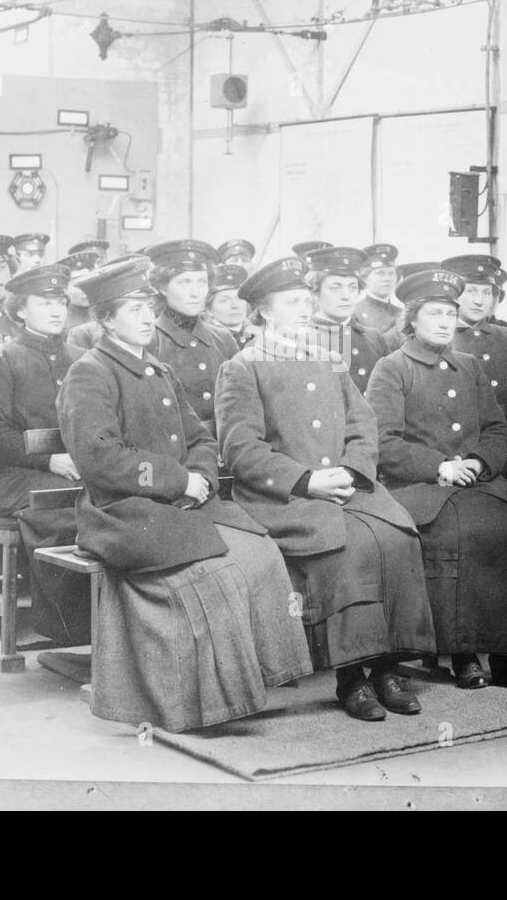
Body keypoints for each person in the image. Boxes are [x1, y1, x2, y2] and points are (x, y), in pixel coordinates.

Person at [58, 256, 312, 731]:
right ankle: (207, 703)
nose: (147, 318)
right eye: (134, 311)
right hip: (123, 511)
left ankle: (256, 682)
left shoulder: (155, 368)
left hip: (177, 503)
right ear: (106, 319)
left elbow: (199, 437)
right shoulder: (90, 373)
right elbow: (100, 459)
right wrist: (178, 482)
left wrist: (201, 480)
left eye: (148, 308)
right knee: (216, 575)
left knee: (261, 552)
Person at [216, 256, 436, 722]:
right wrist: (307, 480)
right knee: (348, 548)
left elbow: (363, 422)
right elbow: (241, 449)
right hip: (288, 495)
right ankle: (352, 677)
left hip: (345, 485)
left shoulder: (327, 355)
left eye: (304, 300)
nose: (302, 308)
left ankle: (387, 666)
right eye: (291, 301)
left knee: (397, 537)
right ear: (263, 311)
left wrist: (353, 470)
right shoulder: (243, 367)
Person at [366, 268, 507, 692]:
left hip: (477, 481)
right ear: (412, 319)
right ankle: (462, 652)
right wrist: (440, 467)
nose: (445, 322)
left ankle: (505, 653)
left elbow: (499, 429)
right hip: (421, 487)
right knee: (458, 536)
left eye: (449, 313)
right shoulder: (392, 369)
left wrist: (479, 463)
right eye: (434, 314)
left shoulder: (468, 366)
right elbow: (383, 442)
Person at [0, 263, 89, 643]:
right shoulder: (2, 358)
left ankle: (110, 622)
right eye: (45, 303)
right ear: (21, 310)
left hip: (78, 471)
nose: (58, 311)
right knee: (65, 515)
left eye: (61, 302)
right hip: (19, 478)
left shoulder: (80, 357)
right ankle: (68, 628)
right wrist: (47, 459)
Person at [143, 240, 239, 438]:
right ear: (162, 287)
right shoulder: (149, 341)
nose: (195, 293)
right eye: (184, 282)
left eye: (202, 282)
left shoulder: (222, 338)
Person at [442, 254, 507, 423]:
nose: (479, 301)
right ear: (454, 294)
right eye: (471, 291)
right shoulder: (439, 338)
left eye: (486, 292)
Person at [306, 246, 389, 395]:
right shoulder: (302, 338)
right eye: (335, 288)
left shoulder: (374, 338)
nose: (346, 296)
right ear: (316, 292)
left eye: (352, 287)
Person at [352, 243, 401, 334]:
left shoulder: (401, 313)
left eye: (391, 273)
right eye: (380, 273)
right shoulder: (354, 313)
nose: (387, 279)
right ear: (365, 278)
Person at [203, 263, 256, 349]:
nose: (234, 305)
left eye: (240, 298)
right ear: (209, 310)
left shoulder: (261, 335)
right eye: (224, 301)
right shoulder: (206, 340)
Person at [59, 249, 102, 331]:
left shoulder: (103, 314)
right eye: (77, 285)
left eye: (88, 283)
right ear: (65, 289)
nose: (85, 290)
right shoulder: (60, 322)